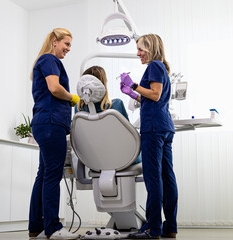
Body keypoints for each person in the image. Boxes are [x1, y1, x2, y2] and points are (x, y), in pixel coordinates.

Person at [120, 34, 178, 239]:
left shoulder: (154, 66)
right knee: (166, 177)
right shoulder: (161, 67)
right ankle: (169, 226)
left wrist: (134, 84)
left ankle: (153, 229)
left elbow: (154, 94)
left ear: (151, 48)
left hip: (153, 128)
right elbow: (153, 97)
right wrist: (132, 93)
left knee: (154, 179)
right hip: (164, 126)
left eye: (141, 49)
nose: (138, 54)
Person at [28, 28, 80, 240]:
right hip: (51, 123)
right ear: (54, 41)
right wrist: (73, 98)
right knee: (52, 175)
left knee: (43, 174)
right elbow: (55, 88)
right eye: (66, 44)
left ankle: (37, 227)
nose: (68, 49)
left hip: (44, 122)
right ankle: (53, 228)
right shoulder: (49, 59)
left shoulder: (43, 61)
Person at [75, 66, 141, 164]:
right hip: (124, 159)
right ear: (102, 84)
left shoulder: (79, 109)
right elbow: (130, 137)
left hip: (95, 162)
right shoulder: (116, 104)